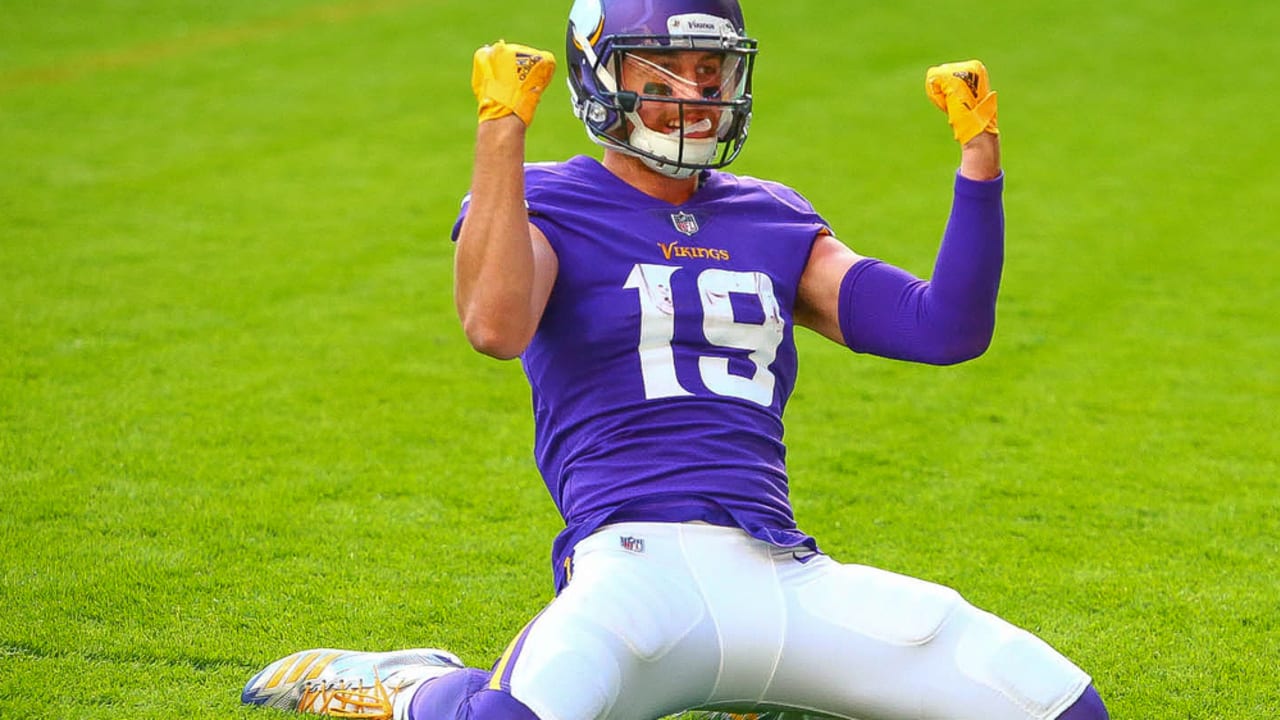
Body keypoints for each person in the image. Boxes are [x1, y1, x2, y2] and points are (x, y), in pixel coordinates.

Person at [241, 1, 1112, 718]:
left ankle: (769, 693)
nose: (694, 94)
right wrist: (501, 130)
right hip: (631, 577)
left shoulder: (769, 217)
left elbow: (944, 329)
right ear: (600, 76)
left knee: (1063, 707)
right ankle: (414, 687)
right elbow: (495, 325)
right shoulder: (547, 198)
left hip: (781, 571)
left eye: (710, 71)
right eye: (661, 73)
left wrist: (979, 160)